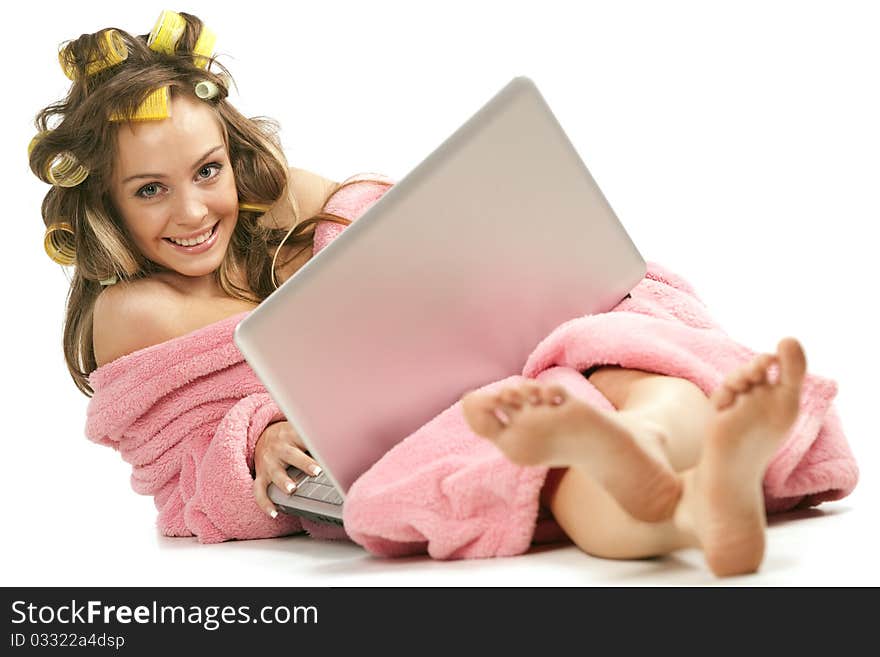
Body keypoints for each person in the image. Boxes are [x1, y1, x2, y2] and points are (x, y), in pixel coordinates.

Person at [33, 10, 811, 577]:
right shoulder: (133, 310)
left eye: (207, 170)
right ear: (102, 204)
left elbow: (401, 261)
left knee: (606, 359)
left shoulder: (279, 206)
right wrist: (257, 439)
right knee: (520, 459)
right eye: (149, 190)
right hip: (388, 442)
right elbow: (191, 462)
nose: (195, 211)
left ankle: (698, 494)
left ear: (232, 151)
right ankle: (650, 464)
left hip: (467, 376)